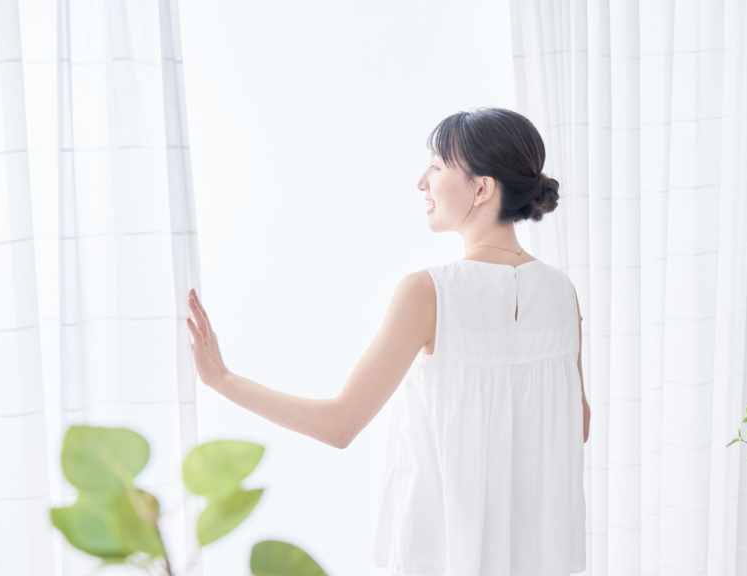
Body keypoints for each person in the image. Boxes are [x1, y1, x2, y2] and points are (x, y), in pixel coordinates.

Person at [186, 107, 590, 576]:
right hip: (538, 557)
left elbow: (340, 424)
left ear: (482, 188)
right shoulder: (562, 291)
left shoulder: (430, 292)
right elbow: (575, 425)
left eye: (437, 166)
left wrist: (223, 380)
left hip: (443, 556)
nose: (423, 182)